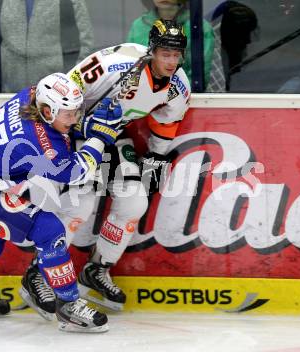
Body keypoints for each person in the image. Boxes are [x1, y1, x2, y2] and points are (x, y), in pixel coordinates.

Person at [19, 20, 191, 314]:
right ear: (152, 51)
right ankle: (38, 274)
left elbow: (167, 123)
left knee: (135, 202)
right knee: (79, 204)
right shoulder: (115, 65)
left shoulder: (178, 87)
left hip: (112, 135)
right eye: (165, 54)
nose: (171, 62)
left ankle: (96, 270)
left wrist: (156, 158)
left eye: (176, 56)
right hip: (73, 132)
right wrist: (81, 127)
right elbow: (63, 94)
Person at [0, 72, 123, 333]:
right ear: (46, 111)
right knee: (50, 230)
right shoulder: (39, 143)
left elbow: (57, 125)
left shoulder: (29, 95)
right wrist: (99, 137)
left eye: (76, 111)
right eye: (69, 114)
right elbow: (77, 172)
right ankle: (68, 307)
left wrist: (79, 121)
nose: (74, 118)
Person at [0, 0, 94, 92]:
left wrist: (70, 88)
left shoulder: (71, 2)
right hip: (7, 93)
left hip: (55, 95)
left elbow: (85, 44)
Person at [127, 0, 214, 88]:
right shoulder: (138, 26)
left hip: (182, 96)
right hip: (141, 94)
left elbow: (198, 77)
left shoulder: (198, 27)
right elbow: (131, 66)